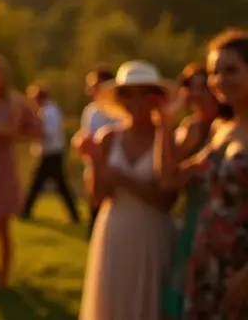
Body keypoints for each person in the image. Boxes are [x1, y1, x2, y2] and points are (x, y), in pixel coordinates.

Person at [155, 30, 248, 319]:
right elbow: (170, 179)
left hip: (241, 264)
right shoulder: (221, 130)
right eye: (213, 72)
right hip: (207, 257)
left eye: (230, 70)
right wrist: (164, 124)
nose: (219, 80)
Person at [79, 60, 177, 320]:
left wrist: (122, 178)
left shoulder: (167, 137)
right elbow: (96, 196)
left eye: (145, 93)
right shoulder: (108, 137)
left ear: (157, 98)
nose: (136, 101)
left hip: (152, 233)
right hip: (114, 231)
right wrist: (95, 160)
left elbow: (165, 200)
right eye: (128, 93)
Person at [0, 54, 42, 288]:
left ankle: (3, 277)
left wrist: (12, 134)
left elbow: (37, 129)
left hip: (3, 169)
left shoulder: (14, 103)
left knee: (2, 227)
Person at [21, 84, 80, 224]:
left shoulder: (50, 112)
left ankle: (25, 211)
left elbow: (48, 134)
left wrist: (30, 132)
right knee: (58, 185)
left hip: (51, 153)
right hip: (51, 153)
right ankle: (74, 215)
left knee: (39, 184)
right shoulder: (49, 110)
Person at [73, 69, 120, 236]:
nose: (91, 90)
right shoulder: (90, 111)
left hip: (114, 172)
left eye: (95, 85)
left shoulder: (118, 111)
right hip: (93, 170)